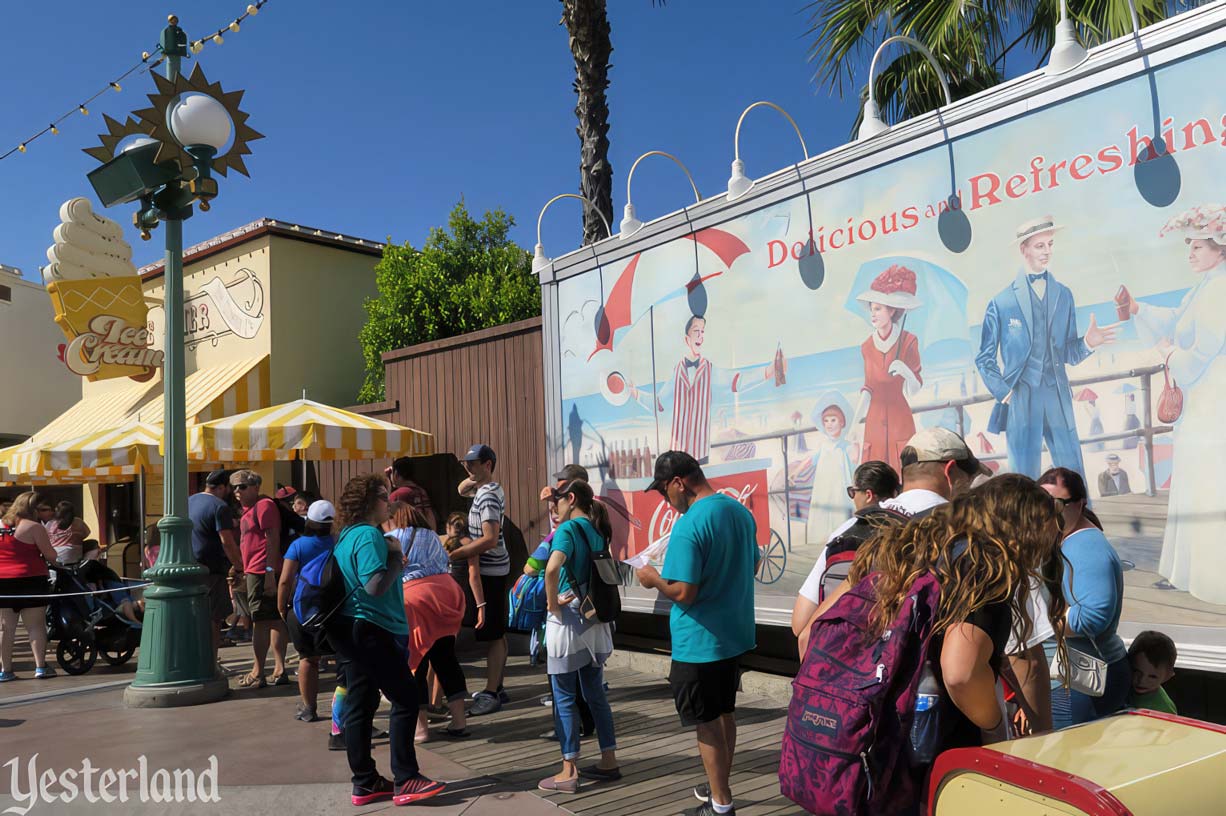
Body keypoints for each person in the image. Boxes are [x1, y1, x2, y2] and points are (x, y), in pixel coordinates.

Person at [797, 428, 1055, 734]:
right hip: (930, 742)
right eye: (970, 478)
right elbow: (1020, 662)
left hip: (849, 739)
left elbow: (806, 632)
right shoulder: (983, 546)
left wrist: (843, 706)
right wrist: (1004, 729)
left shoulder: (859, 531)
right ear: (950, 471)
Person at [818, 474, 1067, 766]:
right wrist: (994, 725)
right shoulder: (984, 569)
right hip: (938, 754)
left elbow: (816, 629)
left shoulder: (897, 547)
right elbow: (961, 673)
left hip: (860, 739)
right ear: (1022, 531)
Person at [635, 452, 760, 816]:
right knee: (724, 712)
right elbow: (752, 565)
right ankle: (720, 786)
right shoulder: (739, 512)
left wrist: (651, 578)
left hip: (698, 640)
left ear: (678, 482)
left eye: (662, 491)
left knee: (706, 722)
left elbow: (682, 591)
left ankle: (721, 804)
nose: (665, 500)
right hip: (733, 634)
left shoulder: (690, 524)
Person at [1120, 204, 1226, 602]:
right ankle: (1192, 572)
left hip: (1215, 399)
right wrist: (1138, 310)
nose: (1191, 253)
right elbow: (1177, 320)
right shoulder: (1207, 286)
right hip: (1204, 400)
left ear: (1220, 249)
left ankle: (1214, 578)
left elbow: (1200, 352)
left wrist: (1167, 356)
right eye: (1190, 246)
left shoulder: (1219, 289)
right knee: (1199, 478)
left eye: (1199, 246)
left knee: (1211, 481)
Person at [324, 474, 445, 806]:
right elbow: (374, 586)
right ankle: (406, 778)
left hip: (353, 630)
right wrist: (394, 556)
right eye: (382, 496)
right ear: (366, 502)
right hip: (371, 628)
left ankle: (365, 782)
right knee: (406, 698)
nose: (388, 502)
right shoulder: (367, 536)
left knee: (361, 705)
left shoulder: (346, 535)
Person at [975, 216, 1116, 478]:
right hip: (1021, 397)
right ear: (1023, 249)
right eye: (1040, 246)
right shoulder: (1001, 302)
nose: (1047, 251)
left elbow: (1067, 354)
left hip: (1057, 395)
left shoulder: (1064, 294)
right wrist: (1004, 393)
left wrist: (1087, 343)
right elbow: (984, 358)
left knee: (1072, 472)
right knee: (1023, 477)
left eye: (1050, 244)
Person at [538, 479, 619, 793]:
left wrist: (551, 603)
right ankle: (608, 759)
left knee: (564, 698)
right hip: (595, 624)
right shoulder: (597, 530)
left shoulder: (568, 530)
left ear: (570, 499)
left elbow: (551, 568)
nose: (555, 507)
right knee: (595, 694)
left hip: (568, 624)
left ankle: (568, 770)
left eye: (558, 500)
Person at [1039, 467, 1128, 727]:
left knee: (1066, 763)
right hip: (1077, 679)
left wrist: (1036, 623)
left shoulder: (1085, 545)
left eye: (1056, 503)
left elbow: (1092, 616)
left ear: (1080, 504)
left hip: (1079, 682)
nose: (1048, 511)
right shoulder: (1071, 540)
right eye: (1041, 502)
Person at [627, 315, 783, 464]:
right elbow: (659, 403)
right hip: (677, 452)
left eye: (702, 332)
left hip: (700, 452)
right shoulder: (677, 371)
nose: (700, 336)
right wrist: (636, 394)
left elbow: (736, 381)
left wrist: (768, 372)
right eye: (696, 331)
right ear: (686, 339)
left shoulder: (710, 370)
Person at [384, 502, 468, 741]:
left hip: (415, 598)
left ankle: (420, 730)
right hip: (447, 593)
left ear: (392, 518)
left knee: (416, 663)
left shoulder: (391, 537)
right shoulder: (432, 535)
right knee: (446, 659)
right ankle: (459, 722)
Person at [792, 460, 900, 637]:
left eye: (852, 492)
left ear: (868, 495)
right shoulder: (911, 530)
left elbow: (800, 622)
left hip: (842, 648)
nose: (853, 497)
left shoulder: (843, 534)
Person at [449, 444, 510, 716]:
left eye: (473, 464)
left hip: (492, 570)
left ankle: (492, 692)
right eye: (466, 463)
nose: (468, 468)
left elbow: (490, 539)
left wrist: (456, 552)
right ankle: (497, 685)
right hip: (493, 567)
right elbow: (462, 489)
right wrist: (474, 476)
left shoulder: (487, 497)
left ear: (488, 464)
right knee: (496, 631)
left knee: (494, 634)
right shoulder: (486, 488)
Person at [850, 265, 923, 473]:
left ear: (892, 311)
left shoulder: (908, 341)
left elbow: (914, 390)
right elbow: (868, 388)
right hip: (874, 421)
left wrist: (905, 370)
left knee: (904, 472)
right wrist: (855, 424)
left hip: (900, 417)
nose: (872, 314)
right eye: (871, 309)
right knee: (876, 474)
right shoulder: (866, 346)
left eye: (878, 309)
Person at [278, 499, 337, 723]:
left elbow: (285, 581)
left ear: (309, 521)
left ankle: (309, 709)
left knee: (308, 659)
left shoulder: (298, 546)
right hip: (334, 610)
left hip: (303, 611)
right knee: (343, 659)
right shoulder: (337, 541)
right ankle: (344, 712)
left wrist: (281, 606)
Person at [231, 470, 289, 689]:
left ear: (255, 487)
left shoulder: (264, 506)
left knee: (261, 621)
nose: (237, 491)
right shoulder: (249, 510)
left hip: (262, 571)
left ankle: (258, 671)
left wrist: (269, 572)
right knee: (273, 620)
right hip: (256, 570)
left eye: (242, 486)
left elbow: (272, 537)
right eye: (235, 487)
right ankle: (278, 669)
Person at [0, 492, 59, 681]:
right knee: (35, 626)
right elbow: (51, 555)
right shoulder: (34, 527)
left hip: (3, 582)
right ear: (32, 509)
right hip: (31, 580)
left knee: (6, 628)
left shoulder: (0, 525)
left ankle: (5, 670)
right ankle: (41, 667)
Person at [189, 469, 243, 664]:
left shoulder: (190, 501)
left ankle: (196, 658)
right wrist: (239, 565)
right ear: (222, 487)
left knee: (195, 618)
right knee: (214, 618)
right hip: (211, 569)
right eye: (228, 487)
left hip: (189, 567)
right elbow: (227, 542)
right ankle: (210, 662)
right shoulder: (219, 507)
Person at [804, 392, 857, 546]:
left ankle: (842, 535)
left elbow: (854, 461)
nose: (829, 424)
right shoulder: (824, 445)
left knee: (840, 509)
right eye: (826, 421)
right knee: (823, 510)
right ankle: (823, 538)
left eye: (833, 420)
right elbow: (810, 459)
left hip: (839, 487)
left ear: (841, 422)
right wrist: (796, 472)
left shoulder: (844, 446)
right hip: (823, 486)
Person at [1128, 630, 1178, 714]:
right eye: (1136, 671)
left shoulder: (1165, 710)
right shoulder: (1124, 685)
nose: (1141, 680)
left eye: (1152, 676)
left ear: (1167, 677)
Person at [387, 457, 437, 530]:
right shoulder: (421, 491)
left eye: (391, 473)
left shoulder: (397, 495)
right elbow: (429, 515)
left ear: (396, 473)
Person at [43, 501, 90, 565]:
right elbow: (87, 533)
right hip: (75, 556)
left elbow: (45, 539)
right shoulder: (78, 522)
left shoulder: (50, 524)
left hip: (56, 557)